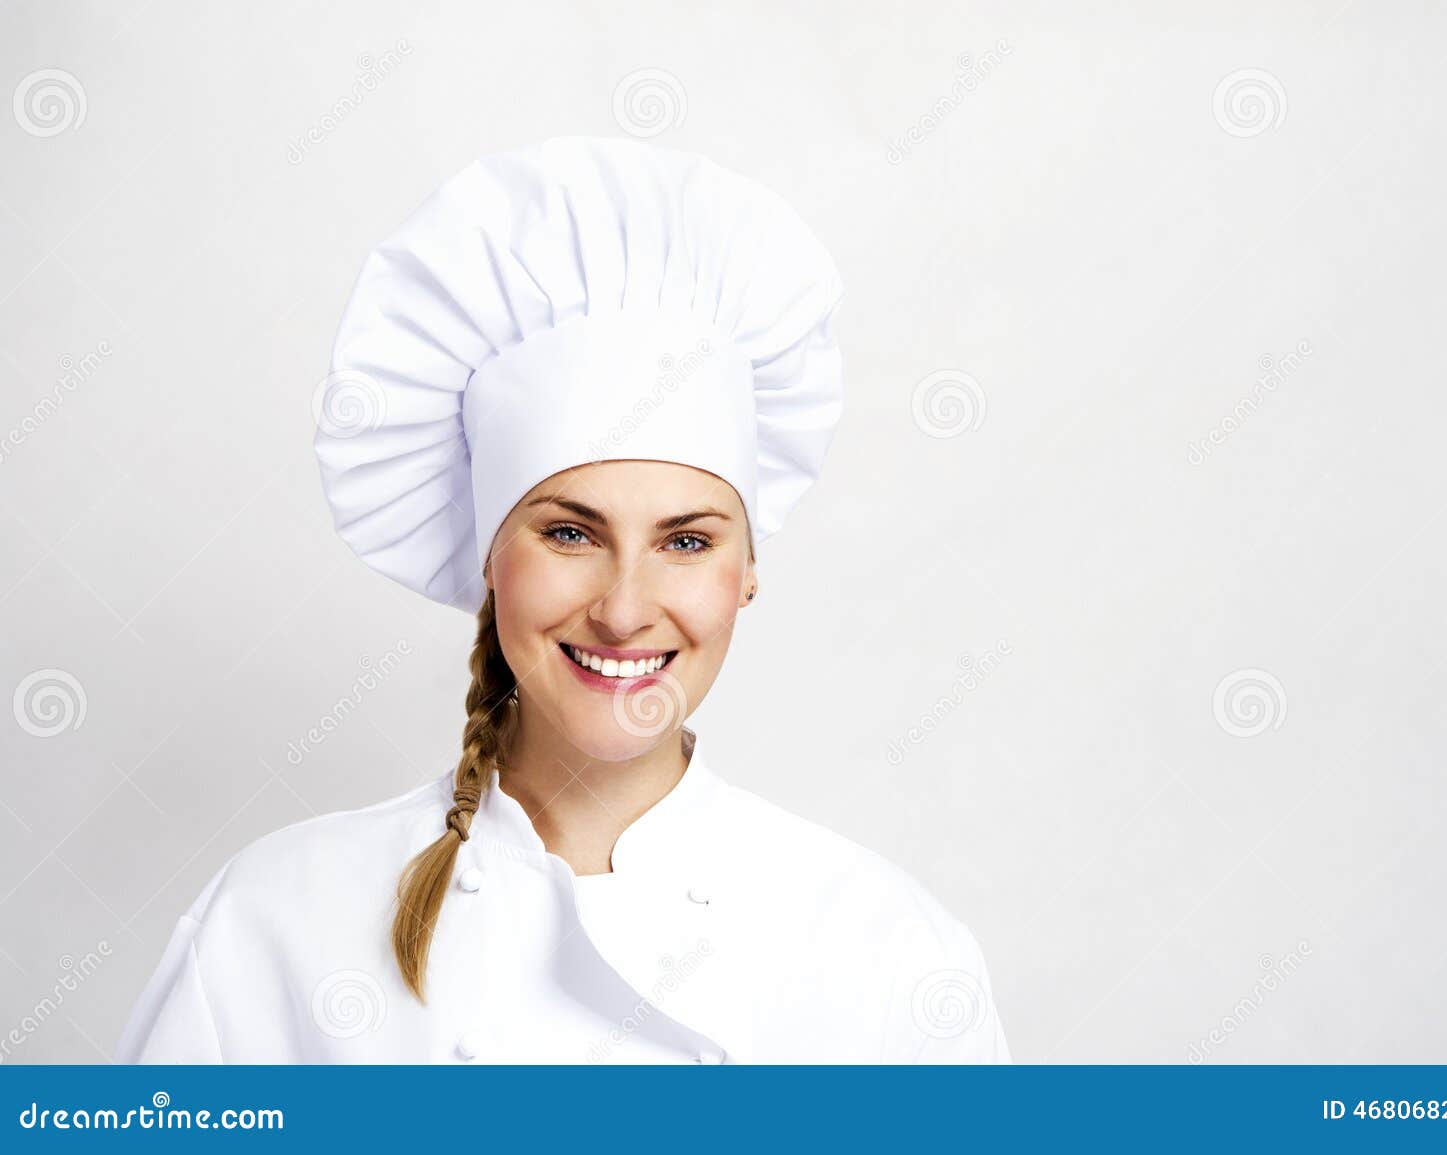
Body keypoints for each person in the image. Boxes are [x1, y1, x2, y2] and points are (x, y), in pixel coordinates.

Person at [113, 137, 1010, 1063]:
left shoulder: (891, 956)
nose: (624, 610)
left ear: (745, 573)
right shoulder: (276, 924)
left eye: (686, 541)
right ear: (490, 556)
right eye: (570, 533)